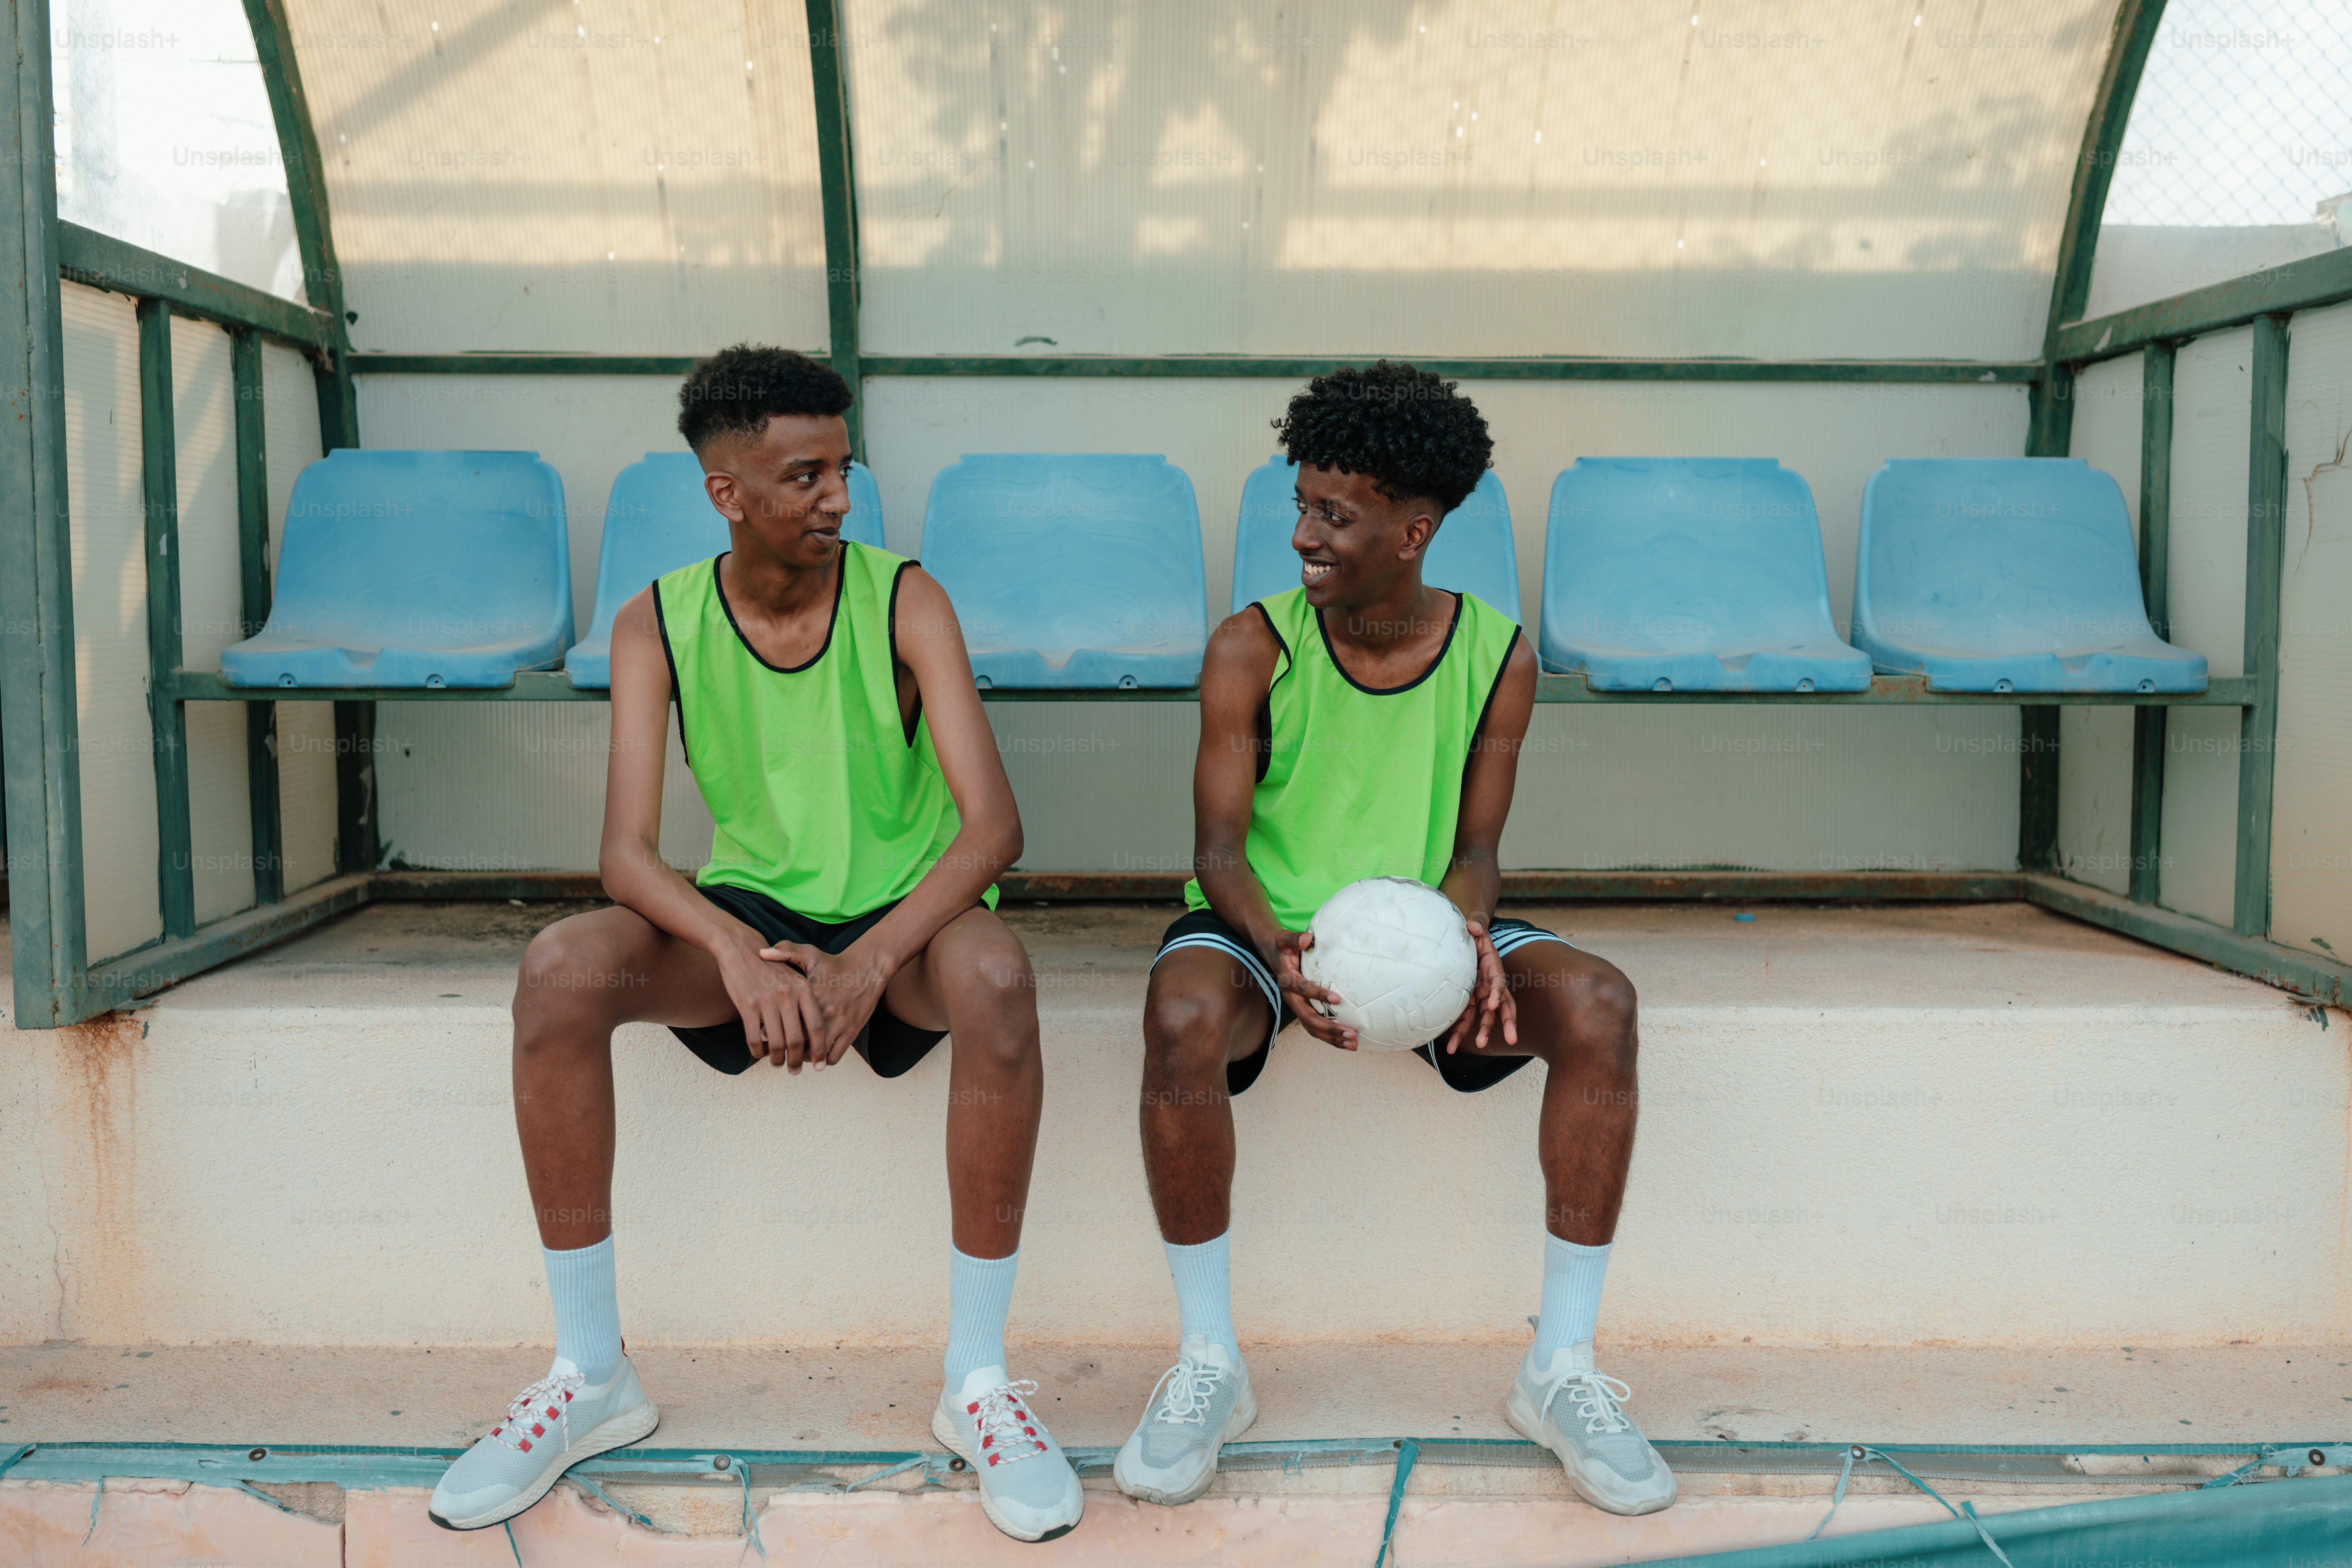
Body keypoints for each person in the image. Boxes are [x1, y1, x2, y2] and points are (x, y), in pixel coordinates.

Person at [428, 346, 1083, 1544]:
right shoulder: (658, 620)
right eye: (806, 474)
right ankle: (589, 1376)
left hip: (903, 924)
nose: (840, 496)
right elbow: (625, 854)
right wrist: (734, 952)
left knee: (998, 974)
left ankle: (978, 1385)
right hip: (754, 921)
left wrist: (869, 963)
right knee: (563, 968)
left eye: (843, 467)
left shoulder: (904, 598)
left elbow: (993, 829)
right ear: (727, 492)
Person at [1113, 361, 1674, 1517]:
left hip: (1423, 922)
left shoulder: (1497, 654)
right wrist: (1278, 947)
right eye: (1300, 504)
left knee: (1602, 1004)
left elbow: (1476, 845)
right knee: (1177, 1020)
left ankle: (1558, 1369)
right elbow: (1218, 851)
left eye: (1335, 513)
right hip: (1263, 923)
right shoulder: (1250, 645)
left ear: (1415, 530)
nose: (1302, 535)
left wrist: (1462, 938)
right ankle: (1209, 1363)